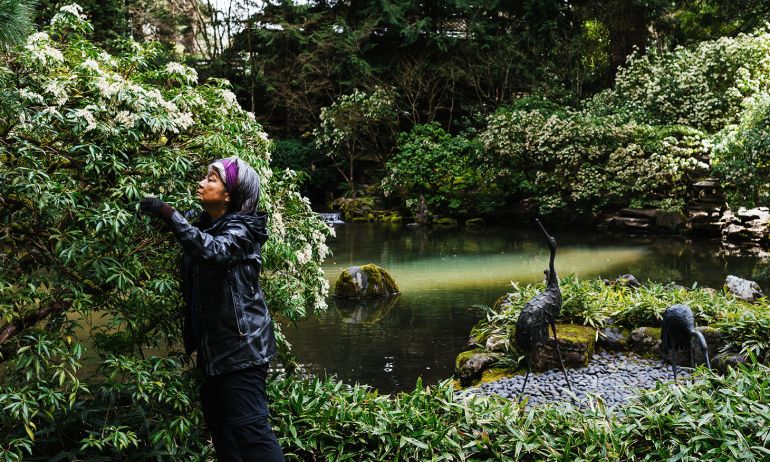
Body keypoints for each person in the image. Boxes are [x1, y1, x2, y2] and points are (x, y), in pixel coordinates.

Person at [140, 157, 284, 462]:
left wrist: (168, 213)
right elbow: (197, 242)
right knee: (225, 437)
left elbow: (214, 252)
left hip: (242, 351)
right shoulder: (208, 225)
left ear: (229, 194)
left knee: (253, 434)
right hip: (214, 352)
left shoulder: (242, 230)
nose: (201, 183)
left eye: (211, 179)